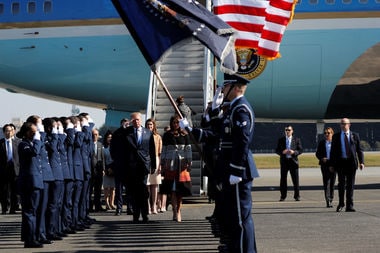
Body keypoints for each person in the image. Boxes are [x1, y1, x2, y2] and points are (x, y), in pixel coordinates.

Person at [180, 73, 259, 253]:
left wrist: (237, 170)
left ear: (235, 87)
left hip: (238, 170)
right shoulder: (232, 109)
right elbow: (217, 135)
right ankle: (236, 248)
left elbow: (242, 142)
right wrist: (191, 130)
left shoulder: (241, 110)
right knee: (233, 216)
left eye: (225, 86)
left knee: (240, 218)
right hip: (230, 169)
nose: (222, 90)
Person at [125, 112, 156, 223]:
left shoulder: (148, 132)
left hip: (144, 165)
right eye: (134, 120)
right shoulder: (127, 133)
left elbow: (152, 150)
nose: (136, 122)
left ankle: (145, 214)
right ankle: (136, 214)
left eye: (138, 120)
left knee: (143, 191)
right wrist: (125, 127)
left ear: (141, 120)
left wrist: (153, 165)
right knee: (134, 191)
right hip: (132, 166)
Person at [17, 122, 44, 248]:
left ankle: (31, 237)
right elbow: (34, 152)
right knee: (29, 212)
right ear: (27, 133)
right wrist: (38, 139)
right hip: (29, 183)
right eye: (33, 132)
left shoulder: (31, 143)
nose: (35, 135)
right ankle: (30, 240)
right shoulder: (23, 144)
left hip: (35, 182)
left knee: (32, 211)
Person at [161, 115, 192, 222]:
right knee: (172, 190)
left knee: (181, 190)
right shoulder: (167, 135)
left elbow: (188, 149)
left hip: (182, 163)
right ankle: (174, 210)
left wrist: (189, 161)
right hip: (170, 163)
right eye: (174, 122)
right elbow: (164, 150)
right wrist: (162, 163)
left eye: (177, 122)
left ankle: (179, 210)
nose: (175, 124)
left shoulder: (185, 134)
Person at [329, 118, 365, 212]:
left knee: (350, 185)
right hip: (340, 163)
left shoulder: (355, 135)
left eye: (345, 124)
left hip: (351, 163)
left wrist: (362, 162)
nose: (343, 125)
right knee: (341, 184)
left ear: (349, 125)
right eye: (341, 124)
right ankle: (341, 203)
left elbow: (359, 150)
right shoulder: (336, 136)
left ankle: (350, 205)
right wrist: (332, 165)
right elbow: (333, 152)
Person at [110, 118, 133, 216]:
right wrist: (115, 159)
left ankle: (129, 207)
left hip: (129, 165)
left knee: (129, 189)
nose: (126, 126)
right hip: (119, 164)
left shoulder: (131, 133)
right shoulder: (117, 134)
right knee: (118, 189)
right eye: (124, 124)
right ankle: (119, 208)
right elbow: (112, 148)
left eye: (127, 124)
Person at [275, 125, 303, 201]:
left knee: (295, 180)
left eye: (289, 130)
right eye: (286, 130)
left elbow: (300, 150)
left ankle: (297, 196)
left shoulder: (296, 139)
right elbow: (276, 150)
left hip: (293, 161)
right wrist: (282, 152)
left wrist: (294, 152)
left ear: (292, 131)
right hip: (284, 162)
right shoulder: (281, 140)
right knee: (283, 180)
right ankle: (283, 196)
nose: (287, 131)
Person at [0, 124, 20, 214]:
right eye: (7, 131)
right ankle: (4, 208)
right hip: (4, 170)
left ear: (13, 132)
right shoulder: (1, 143)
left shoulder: (18, 143)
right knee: (4, 190)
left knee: (14, 190)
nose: (9, 132)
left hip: (15, 169)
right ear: (4, 132)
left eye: (10, 130)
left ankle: (13, 208)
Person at [315, 127, 336, 208]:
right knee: (326, 183)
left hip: (333, 164)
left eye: (328, 133)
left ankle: (331, 198)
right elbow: (317, 154)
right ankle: (328, 201)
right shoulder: (322, 143)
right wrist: (321, 158)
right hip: (324, 164)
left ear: (332, 134)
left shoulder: (335, 143)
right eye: (325, 133)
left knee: (332, 183)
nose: (326, 134)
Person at [145, 119, 162, 215]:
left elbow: (160, 153)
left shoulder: (158, 137)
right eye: (147, 124)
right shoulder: (143, 135)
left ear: (154, 126)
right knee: (147, 185)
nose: (149, 126)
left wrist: (160, 166)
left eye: (151, 124)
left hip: (156, 159)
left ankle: (154, 206)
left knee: (155, 185)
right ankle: (147, 206)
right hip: (146, 160)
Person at [90, 128, 105, 212]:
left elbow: (102, 158)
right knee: (90, 190)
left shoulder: (100, 145)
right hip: (91, 170)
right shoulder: (88, 144)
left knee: (98, 189)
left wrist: (103, 169)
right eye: (93, 134)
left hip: (99, 171)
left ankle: (98, 206)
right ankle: (90, 206)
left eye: (96, 134)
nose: (94, 136)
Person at [102, 131, 116, 210]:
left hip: (114, 169)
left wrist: (113, 168)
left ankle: (112, 203)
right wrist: (105, 169)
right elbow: (103, 159)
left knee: (113, 188)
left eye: (111, 137)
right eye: (108, 137)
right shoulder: (103, 148)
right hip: (106, 169)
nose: (110, 139)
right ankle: (107, 203)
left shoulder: (115, 147)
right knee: (106, 187)